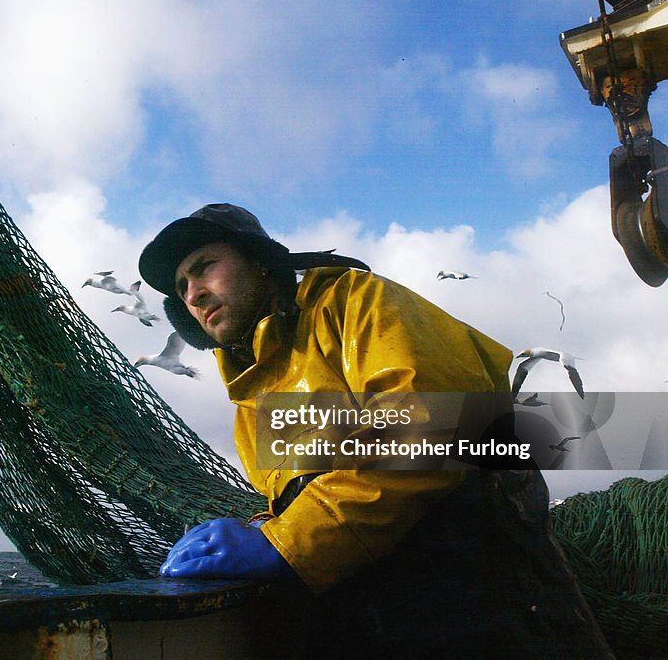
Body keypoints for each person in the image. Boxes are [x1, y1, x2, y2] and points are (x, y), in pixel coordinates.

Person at [138, 203, 613, 657]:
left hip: (476, 598)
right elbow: (311, 492)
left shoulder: (356, 303)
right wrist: (268, 526)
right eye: (181, 286)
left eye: (204, 267)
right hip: (364, 613)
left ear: (260, 262)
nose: (193, 293)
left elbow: (435, 427)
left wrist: (288, 543)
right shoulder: (249, 393)